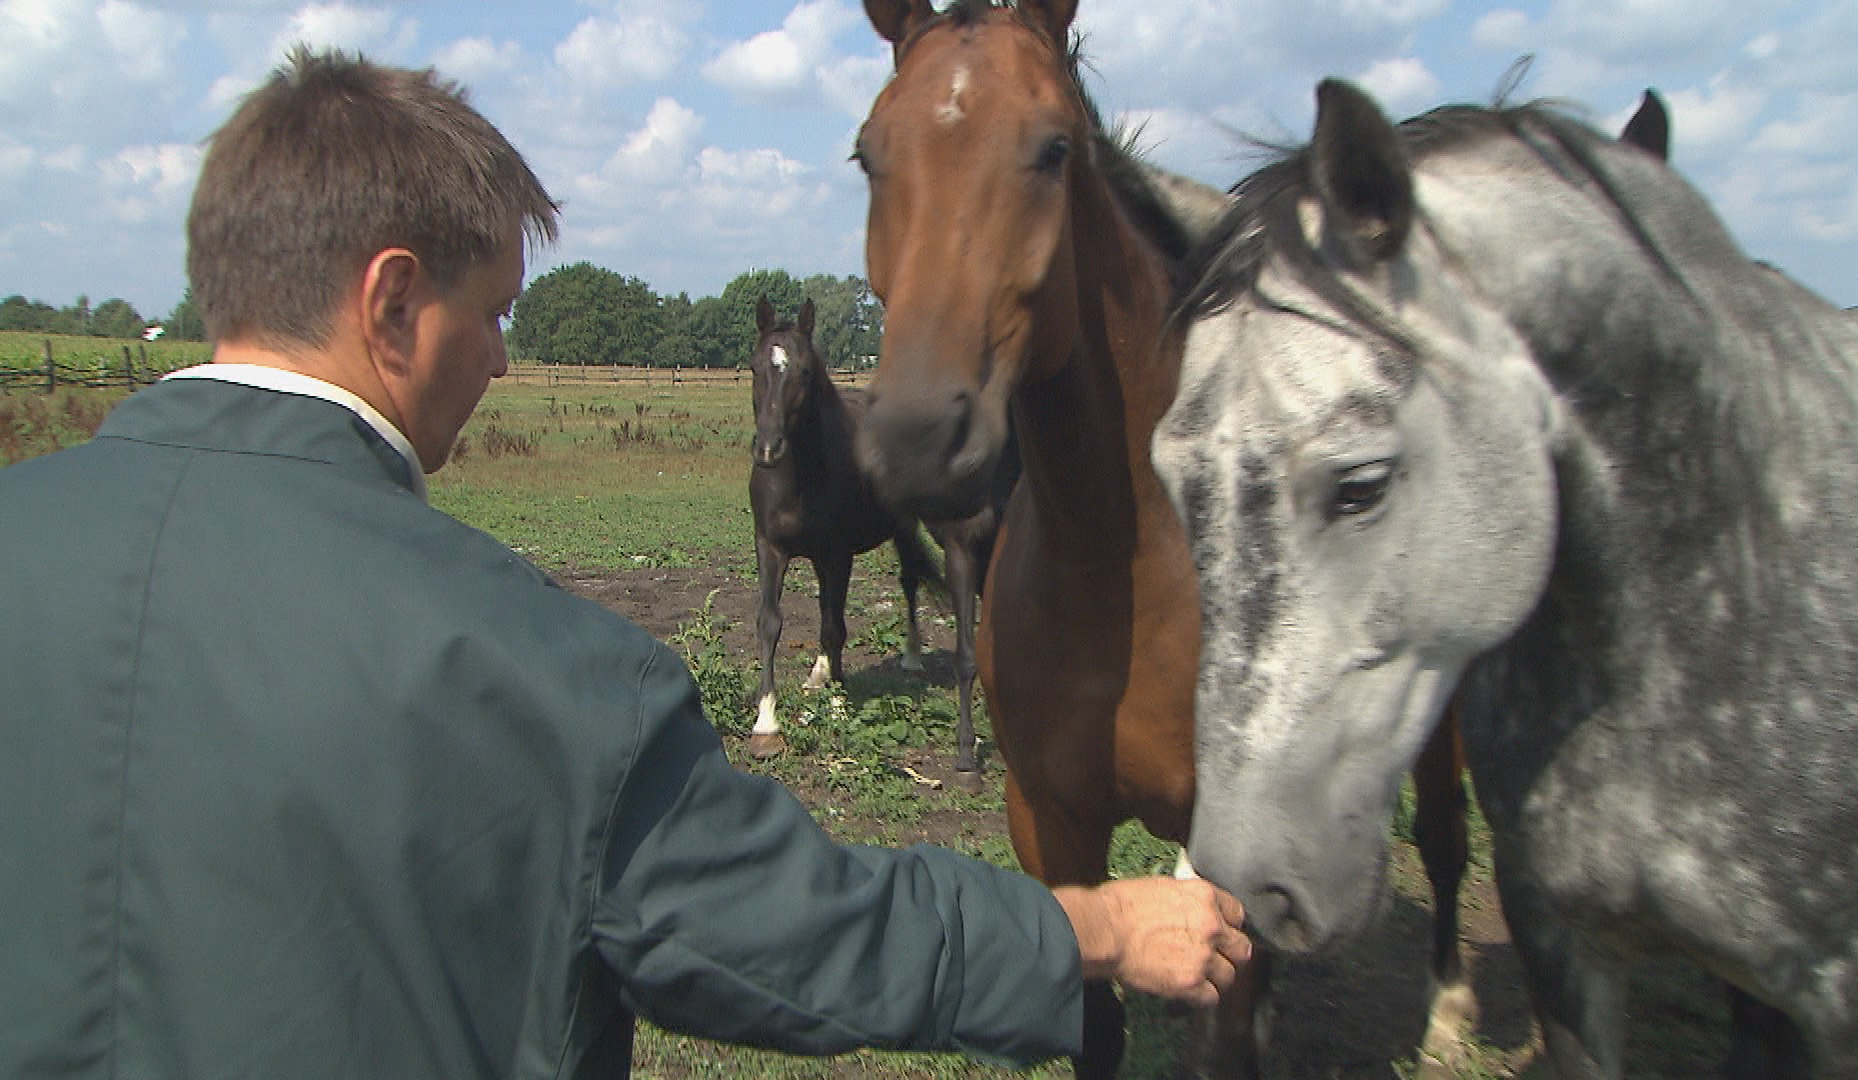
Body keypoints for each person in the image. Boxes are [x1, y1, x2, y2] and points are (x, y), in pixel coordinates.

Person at [0, 47, 1251, 1079]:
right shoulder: (533, 667)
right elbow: (795, 939)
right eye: (490, 313)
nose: (499, 360)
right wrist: (1090, 924)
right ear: (388, 305)